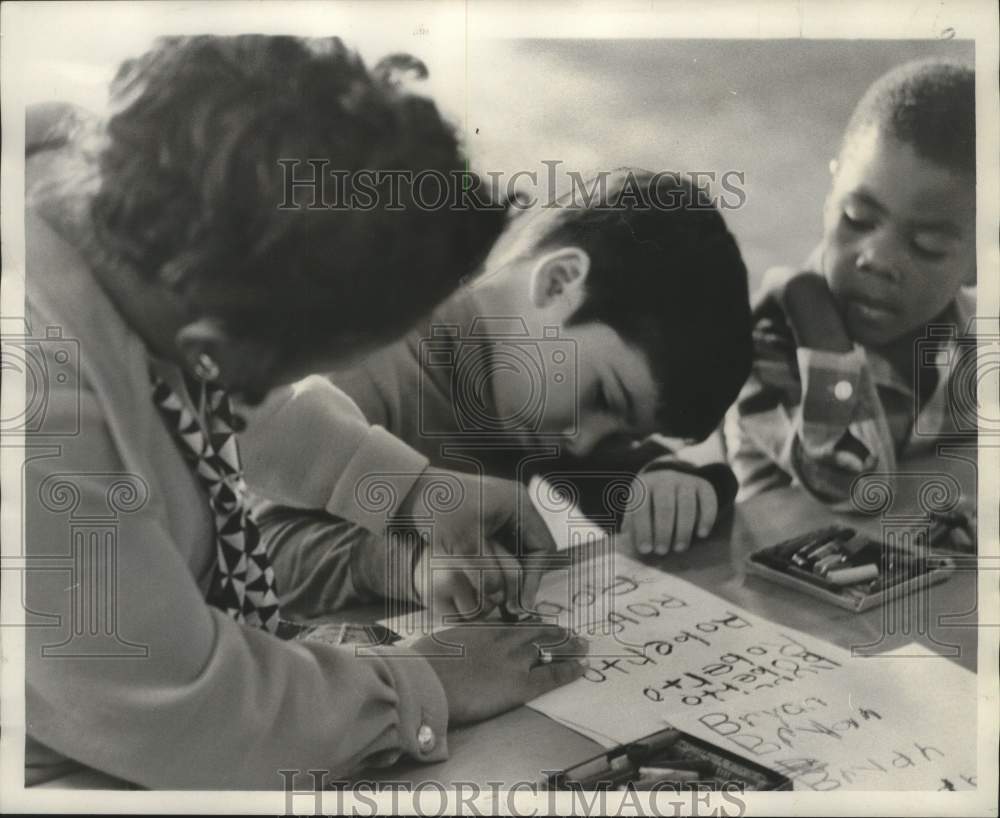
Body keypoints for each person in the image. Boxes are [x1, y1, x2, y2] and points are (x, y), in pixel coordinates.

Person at [23, 34, 587, 790]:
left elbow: (229, 396)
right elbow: (188, 719)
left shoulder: (118, 205)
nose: (268, 395)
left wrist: (412, 491)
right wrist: (426, 681)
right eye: (289, 368)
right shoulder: (35, 412)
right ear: (216, 346)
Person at [245, 167, 754, 599]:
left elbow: (610, 470)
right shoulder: (372, 355)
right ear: (557, 283)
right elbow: (261, 541)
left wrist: (667, 481)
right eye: (602, 398)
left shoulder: (534, 397)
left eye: (621, 432)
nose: (584, 441)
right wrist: (409, 566)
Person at [724, 58, 977, 509]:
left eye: (927, 245)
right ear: (830, 194)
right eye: (857, 219)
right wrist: (824, 337)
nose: (876, 260)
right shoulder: (772, 339)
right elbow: (858, 489)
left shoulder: (978, 336)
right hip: (771, 569)